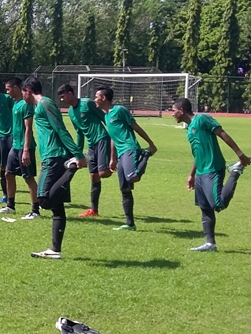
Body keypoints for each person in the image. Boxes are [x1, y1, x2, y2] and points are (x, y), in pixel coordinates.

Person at [171, 98, 251, 251]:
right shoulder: (189, 129)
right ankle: (210, 244)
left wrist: (240, 155)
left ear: (181, 110)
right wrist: (192, 174)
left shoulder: (202, 119)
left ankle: (235, 171)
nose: (172, 114)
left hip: (213, 168)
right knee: (205, 208)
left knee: (218, 204)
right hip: (201, 172)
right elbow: (197, 153)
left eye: (173, 110)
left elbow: (222, 134)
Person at [20, 78, 88, 260]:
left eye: (23, 92)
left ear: (28, 90)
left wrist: (78, 155)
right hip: (54, 156)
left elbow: (60, 129)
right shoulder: (38, 107)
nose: (22, 96)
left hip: (54, 156)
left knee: (43, 200)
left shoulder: (45, 103)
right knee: (57, 207)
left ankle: (72, 168)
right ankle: (55, 250)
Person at [95, 86, 158, 231]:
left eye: (96, 97)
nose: (95, 100)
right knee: (125, 188)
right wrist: (113, 158)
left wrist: (150, 144)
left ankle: (145, 155)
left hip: (130, 148)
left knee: (132, 177)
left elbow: (136, 127)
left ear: (103, 98)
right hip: (121, 153)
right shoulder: (106, 116)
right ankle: (130, 224)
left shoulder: (119, 110)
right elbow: (113, 137)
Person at [57, 84, 113, 218]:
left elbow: (104, 118)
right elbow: (79, 133)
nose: (62, 100)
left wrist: (115, 134)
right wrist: (78, 153)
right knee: (94, 176)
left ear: (70, 93)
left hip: (102, 139)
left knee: (103, 173)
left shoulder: (87, 103)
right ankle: (94, 210)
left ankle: (119, 162)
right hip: (91, 145)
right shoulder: (71, 112)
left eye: (63, 96)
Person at [0, 77, 41, 220]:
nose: (7, 92)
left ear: (16, 88)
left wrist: (26, 150)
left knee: (28, 178)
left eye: (8, 89)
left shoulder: (26, 105)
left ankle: (35, 210)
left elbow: (28, 128)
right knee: (8, 174)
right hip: (15, 147)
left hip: (24, 147)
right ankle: (10, 206)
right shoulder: (15, 104)